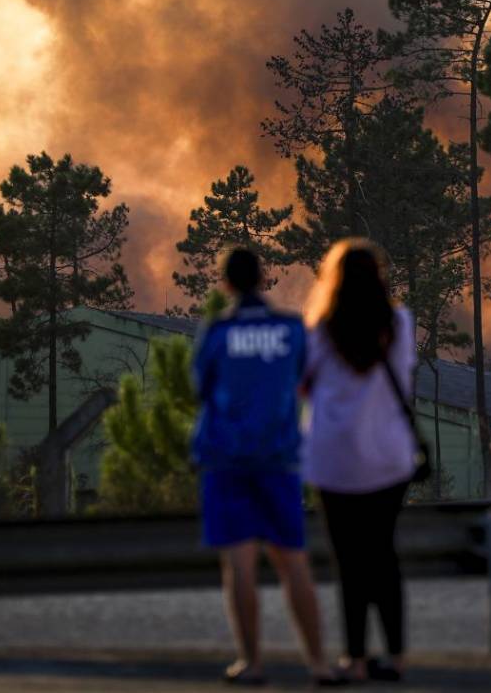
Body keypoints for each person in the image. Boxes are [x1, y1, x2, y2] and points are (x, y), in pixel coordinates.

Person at [190, 247, 344, 687]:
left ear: (226, 283)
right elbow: (305, 380)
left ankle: (252, 664)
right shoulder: (292, 329)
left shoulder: (217, 333)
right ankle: (317, 664)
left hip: (228, 459)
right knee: (293, 562)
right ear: (264, 278)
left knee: (238, 564)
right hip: (278, 458)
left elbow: (202, 388)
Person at [301, 239, 417, 683]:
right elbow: (404, 377)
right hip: (388, 458)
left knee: (348, 561)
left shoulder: (319, 331)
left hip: (333, 460)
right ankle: (397, 655)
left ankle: (355, 657)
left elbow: (304, 386)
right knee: (383, 555)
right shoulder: (400, 325)